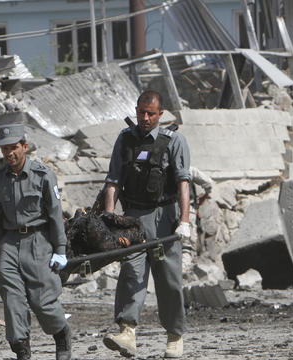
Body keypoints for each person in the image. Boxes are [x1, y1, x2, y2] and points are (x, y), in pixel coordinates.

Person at [102, 90, 191, 358]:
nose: (145, 117)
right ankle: (127, 331)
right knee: (131, 272)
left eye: (151, 113)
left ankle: (174, 336)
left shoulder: (174, 141)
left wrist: (184, 221)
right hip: (133, 218)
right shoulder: (125, 140)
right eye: (141, 112)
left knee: (169, 279)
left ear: (160, 114)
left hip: (165, 217)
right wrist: (109, 219)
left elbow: (183, 182)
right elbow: (113, 182)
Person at [0, 124, 72, 360]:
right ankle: (22, 351)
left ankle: (61, 333)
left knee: (42, 301)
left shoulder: (43, 175)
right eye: (4, 149)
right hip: (10, 242)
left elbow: (56, 215)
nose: (9, 154)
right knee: (12, 300)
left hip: (39, 241)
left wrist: (60, 249)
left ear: (24, 147)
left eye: (14, 148)